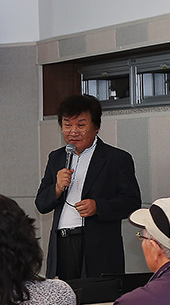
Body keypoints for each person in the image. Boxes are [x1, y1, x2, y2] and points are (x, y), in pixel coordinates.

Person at [35, 94, 141, 280]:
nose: (73, 131)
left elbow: (131, 203)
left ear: (96, 127)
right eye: (67, 125)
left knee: (96, 295)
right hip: (63, 243)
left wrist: (98, 207)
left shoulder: (116, 159)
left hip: (99, 245)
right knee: (67, 295)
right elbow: (41, 204)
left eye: (81, 125)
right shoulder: (56, 158)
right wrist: (57, 188)